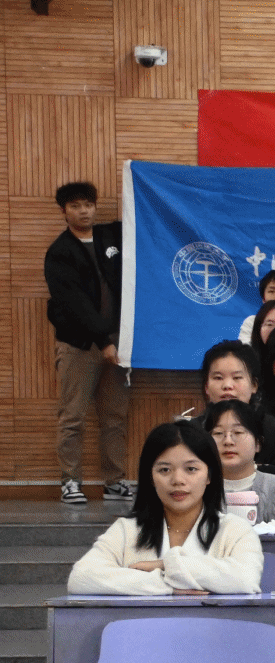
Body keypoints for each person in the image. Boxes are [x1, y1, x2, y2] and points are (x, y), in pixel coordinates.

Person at [68, 419, 262, 596]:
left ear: (209, 475)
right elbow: (81, 578)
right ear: (150, 477)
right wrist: (167, 586)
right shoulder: (126, 530)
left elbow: (246, 579)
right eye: (164, 470)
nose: (177, 480)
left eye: (191, 469)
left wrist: (165, 565)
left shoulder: (235, 530)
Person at [45, 181, 130, 505]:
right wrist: (103, 341)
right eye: (76, 206)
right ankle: (70, 482)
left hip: (116, 343)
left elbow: (145, 220)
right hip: (79, 346)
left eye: (88, 205)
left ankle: (115, 482)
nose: (84, 211)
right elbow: (73, 304)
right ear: (64, 211)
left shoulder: (112, 236)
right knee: (73, 417)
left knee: (115, 417)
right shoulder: (60, 252)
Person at [187, 340, 275, 483]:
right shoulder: (191, 432)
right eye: (218, 378)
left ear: (254, 385)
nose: (227, 385)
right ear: (206, 387)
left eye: (237, 377)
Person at [203, 400, 275, 531]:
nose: (228, 441)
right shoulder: (197, 490)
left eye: (238, 432)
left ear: (258, 443)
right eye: (218, 433)